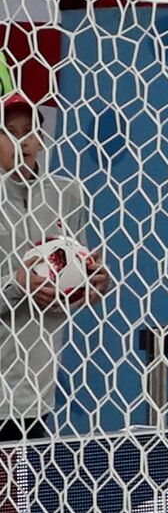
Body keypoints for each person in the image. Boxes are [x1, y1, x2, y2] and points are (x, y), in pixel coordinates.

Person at [0, 93, 112, 442]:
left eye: (32, 131)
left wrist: (90, 284)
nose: (25, 142)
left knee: (19, 496)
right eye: (11, 132)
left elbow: (71, 277)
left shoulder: (68, 194)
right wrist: (18, 283)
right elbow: (21, 285)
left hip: (36, 391)